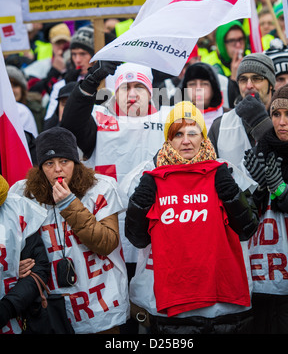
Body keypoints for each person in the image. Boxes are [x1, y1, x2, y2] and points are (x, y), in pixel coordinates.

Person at [125, 101, 258, 334]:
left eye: (192, 132)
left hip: (224, 306)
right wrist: (140, 202)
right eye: (177, 134)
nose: (186, 140)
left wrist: (231, 195)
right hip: (177, 309)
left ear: (203, 136)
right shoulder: (151, 178)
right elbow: (137, 238)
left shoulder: (225, 171)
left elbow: (248, 228)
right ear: (168, 139)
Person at [61, 61, 172, 333]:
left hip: (159, 237)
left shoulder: (170, 122)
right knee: (124, 319)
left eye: (138, 87)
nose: (132, 94)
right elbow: (71, 123)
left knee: (159, 312)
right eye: (124, 87)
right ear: (114, 93)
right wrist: (90, 83)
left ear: (151, 93)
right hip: (110, 238)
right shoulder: (98, 122)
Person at [10, 127, 129, 334]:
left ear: (76, 162)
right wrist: (14, 266)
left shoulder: (101, 187)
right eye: (49, 163)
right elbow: (10, 243)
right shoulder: (23, 193)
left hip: (99, 304)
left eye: (64, 161)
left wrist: (69, 205)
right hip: (51, 307)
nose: (58, 169)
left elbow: (107, 242)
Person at [243, 77, 288, 334]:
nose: (281, 122)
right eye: (275, 113)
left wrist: (280, 188)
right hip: (263, 279)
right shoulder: (263, 149)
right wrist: (257, 190)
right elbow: (247, 222)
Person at [208, 53, 276, 172]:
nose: (249, 86)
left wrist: (261, 122)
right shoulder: (219, 125)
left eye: (257, 78)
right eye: (243, 80)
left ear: (270, 84)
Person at [0, 174, 50, 334]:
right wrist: (7, 271)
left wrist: (6, 308)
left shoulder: (16, 207)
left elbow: (38, 268)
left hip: (13, 319)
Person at [43, 24, 95, 122]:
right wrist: (68, 88)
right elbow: (48, 124)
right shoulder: (61, 85)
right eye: (74, 54)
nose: (78, 60)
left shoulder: (108, 79)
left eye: (83, 54)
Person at [177, 62, 227, 131]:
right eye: (192, 84)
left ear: (214, 89)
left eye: (204, 84)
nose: (198, 89)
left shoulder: (229, 117)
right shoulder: (174, 117)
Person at [6, 65, 40, 137]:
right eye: (7, 86)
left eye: (15, 85)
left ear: (22, 89)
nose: (11, 91)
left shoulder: (38, 111)